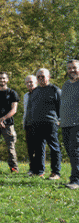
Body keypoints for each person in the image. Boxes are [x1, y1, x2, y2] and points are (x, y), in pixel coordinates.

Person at [25, 68, 61, 179]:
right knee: (39, 148)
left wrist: (59, 120)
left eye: (43, 76)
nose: (41, 78)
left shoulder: (55, 90)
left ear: (48, 77)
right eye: (38, 77)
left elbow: (61, 107)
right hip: (36, 124)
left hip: (50, 123)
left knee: (54, 148)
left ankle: (55, 172)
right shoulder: (34, 91)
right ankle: (39, 171)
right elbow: (31, 109)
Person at [62, 60, 79, 189]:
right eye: (69, 68)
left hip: (77, 123)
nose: (72, 70)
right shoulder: (66, 85)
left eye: (74, 68)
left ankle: (76, 180)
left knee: (75, 151)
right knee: (70, 150)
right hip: (65, 123)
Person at [23, 75, 43, 176]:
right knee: (30, 149)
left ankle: (40, 170)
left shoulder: (41, 93)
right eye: (27, 82)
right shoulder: (26, 95)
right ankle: (32, 169)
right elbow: (25, 111)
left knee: (39, 148)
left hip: (39, 124)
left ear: (36, 82)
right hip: (28, 124)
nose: (29, 84)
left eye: (31, 82)